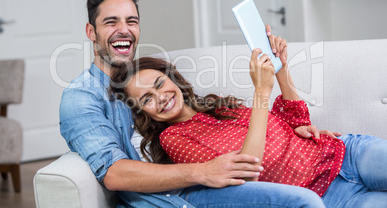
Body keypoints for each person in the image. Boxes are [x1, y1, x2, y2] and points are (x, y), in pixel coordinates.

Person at [60, 0, 327, 207]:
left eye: (132, 21)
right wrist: (203, 172)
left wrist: (293, 130)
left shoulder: (146, 78)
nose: (124, 29)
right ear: (91, 32)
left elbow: (212, 129)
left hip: (200, 186)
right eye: (111, 22)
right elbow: (114, 173)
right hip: (182, 196)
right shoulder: (81, 97)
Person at [111, 36, 387, 207]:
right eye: (147, 99)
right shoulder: (173, 139)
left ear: (172, 78)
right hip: (328, 195)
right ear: (142, 112)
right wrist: (261, 93)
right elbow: (247, 172)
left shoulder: (215, 104)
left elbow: (296, 118)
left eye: (160, 83)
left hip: (345, 152)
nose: (160, 97)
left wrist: (280, 68)